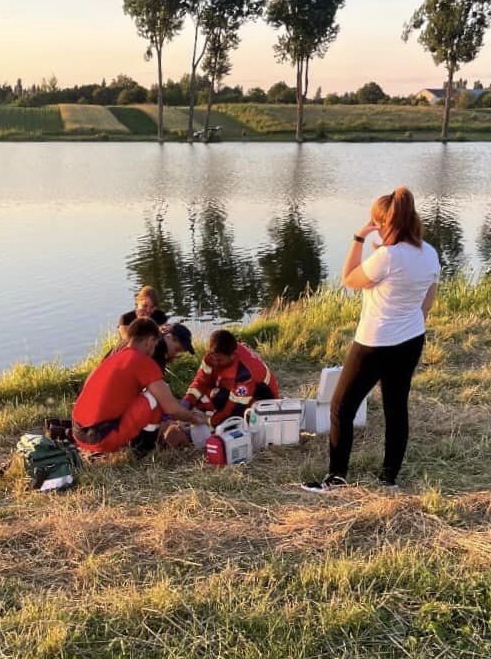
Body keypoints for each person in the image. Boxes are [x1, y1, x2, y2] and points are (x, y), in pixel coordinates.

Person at [310, 185, 439, 492]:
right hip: (411, 339)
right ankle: (389, 478)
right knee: (396, 408)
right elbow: (428, 299)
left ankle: (336, 477)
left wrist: (358, 238)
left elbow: (349, 279)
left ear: (385, 223)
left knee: (342, 407)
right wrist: (410, 321)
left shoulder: (387, 257)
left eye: (377, 222)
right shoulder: (429, 252)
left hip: (374, 342)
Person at [72, 317, 207, 456]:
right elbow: (171, 408)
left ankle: (134, 439)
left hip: (78, 431)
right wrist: (193, 418)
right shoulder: (145, 361)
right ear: (150, 341)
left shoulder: (117, 354)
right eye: (155, 344)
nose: (155, 349)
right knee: (156, 396)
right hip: (100, 438)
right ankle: (143, 450)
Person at [181, 329, 279, 427]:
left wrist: (210, 421)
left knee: (220, 400)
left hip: (262, 401)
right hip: (237, 389)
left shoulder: (245, 374)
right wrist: (187, 402)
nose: (215, 362)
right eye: (212, 356)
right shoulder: (213, 355)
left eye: (219, 360)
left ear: (232, 355)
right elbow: (201, 381)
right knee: (203, 396)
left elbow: (235, 409)